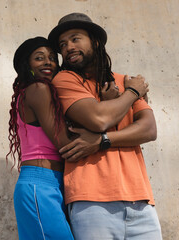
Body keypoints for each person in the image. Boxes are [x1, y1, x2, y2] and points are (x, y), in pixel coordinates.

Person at [48, 12, 162, 239]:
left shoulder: (124, 80)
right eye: (63, 44)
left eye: (75, 38)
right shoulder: (65, 80)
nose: (68, 47)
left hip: (140, 200)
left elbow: (149, 130)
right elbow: (98, 119)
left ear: (96, 41)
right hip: (91, 201)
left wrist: (102, 141)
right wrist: (132, 93)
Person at [7, 36, 102, 239]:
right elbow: (64, 143)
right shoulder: (38, 89)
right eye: (39, 58)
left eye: (52, 57)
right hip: (40, 184)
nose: (48, 62)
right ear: (27, 65)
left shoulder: (46, 92)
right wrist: (104, 134)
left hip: (55, 183)